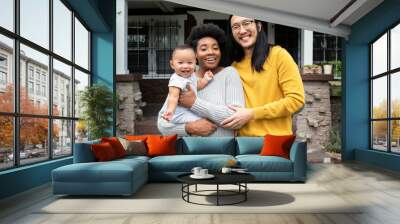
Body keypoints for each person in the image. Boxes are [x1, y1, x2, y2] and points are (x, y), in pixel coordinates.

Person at [221, 15, 305, 136]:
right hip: (242, 143)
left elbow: (296, 100)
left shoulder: (279, 55)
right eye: (236, 26)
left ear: (259, 26)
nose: (242, 30)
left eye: (246, 23)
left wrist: (252, 114)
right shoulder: (234, 67)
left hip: (275, 140)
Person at [157, 23, 245, 137]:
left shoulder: (229, 73)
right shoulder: (184, 79)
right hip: (190, 152)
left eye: (215, 48)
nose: (211, 52)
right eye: (204, 49)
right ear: (195, 55)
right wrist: (189, 128)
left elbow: (237, 119)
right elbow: (162, 125)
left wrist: (194, 103)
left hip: (222, 151)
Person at [160, 44, 214, 123]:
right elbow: (173, 97)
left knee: (207, 117)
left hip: (189, 110)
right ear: (172, 65)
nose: (185, 66)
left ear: (195, 63)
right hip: (178, 114)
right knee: (203, 121)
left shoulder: (191, 75)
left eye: (189, 62)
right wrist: (170, 110)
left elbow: (197, 86)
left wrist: (206, 79)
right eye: (180, 63)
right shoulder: (176, 80)